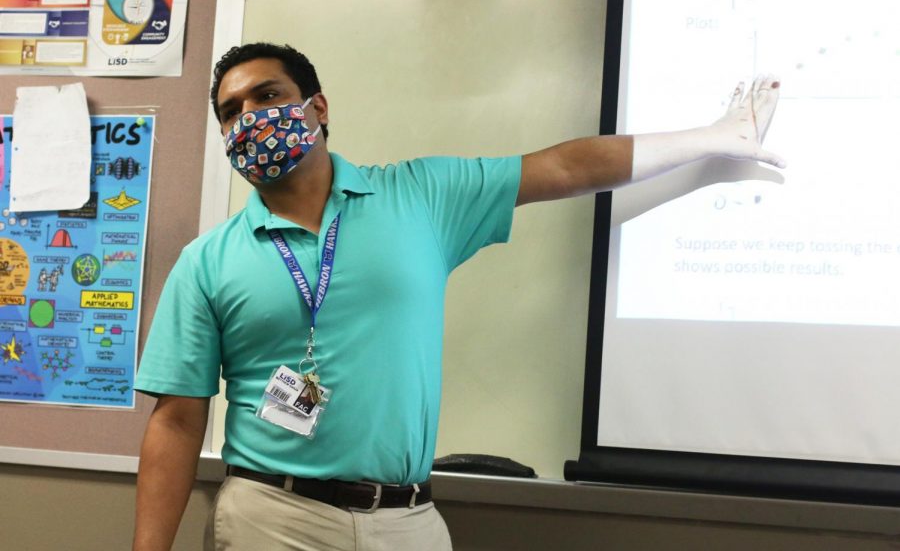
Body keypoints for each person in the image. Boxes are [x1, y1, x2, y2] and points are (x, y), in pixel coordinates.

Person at [132, 42, 783, 551]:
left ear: (317, 109)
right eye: (231, 111)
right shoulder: (206, 262)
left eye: (266, 96)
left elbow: (564, 168)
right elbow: (177, 421)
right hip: (273, 518)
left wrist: (713, 138)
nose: (249, 119)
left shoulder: (422, 197)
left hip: (408, 521)